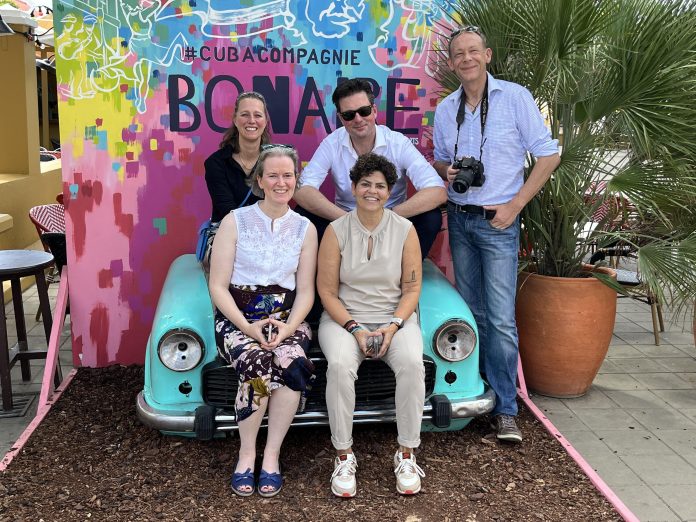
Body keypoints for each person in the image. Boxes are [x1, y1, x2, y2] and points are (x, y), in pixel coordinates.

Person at [432, 26, 560, 443]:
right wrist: (448, 171)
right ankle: (478, 394)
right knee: (473, 313)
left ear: (487, 55)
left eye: (473, 51)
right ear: (452, 63)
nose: (466, 59)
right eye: (459, 54)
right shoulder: (446, 108)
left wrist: (515, 205)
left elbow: (548, 155)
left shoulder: (515, 98)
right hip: (460, 218)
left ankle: (506, 409)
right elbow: (439, 162)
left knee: (501, 320)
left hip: (499, 222)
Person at [209, 145, 318, 497]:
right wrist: (247, 328)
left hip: (287, 319)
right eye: (273, 175)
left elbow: (306, 292)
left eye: (288, 175)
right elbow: (217, 286)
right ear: (259, 179)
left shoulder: (305, 228)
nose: (281, 182)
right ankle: (247, 453)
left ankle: (271, 455)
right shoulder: (235, 221)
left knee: (291, 361)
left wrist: (288, 328)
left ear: (296, 179)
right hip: (238, 319)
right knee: (257, 362)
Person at [317, 153, 426, 497]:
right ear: (353, 187)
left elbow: (411, 289)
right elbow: (326, 291)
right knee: (339, 365)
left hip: (394, 318)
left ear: (389, 191)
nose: (372, 191)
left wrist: (393, 327)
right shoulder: (336, 230)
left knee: (412, 363)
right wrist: (355, 328)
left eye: (380, 186)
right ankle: (343, 455)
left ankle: (406, 453)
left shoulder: (405, 230)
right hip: (344, 319)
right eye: (365, 184)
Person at [294, 78, 447, 259]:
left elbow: (437, 191)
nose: (358, 119)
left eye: (364, 111)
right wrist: (348, 220)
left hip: (391, 223)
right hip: (346, 223)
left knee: (431, 217)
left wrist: (387, 217)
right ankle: (332, 268)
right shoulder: (332, 143)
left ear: (374, 111)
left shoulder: (398, 143)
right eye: (349, 115)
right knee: (303, 214)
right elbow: (302, 190)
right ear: (341, 118)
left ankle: (402, 269)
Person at [204, 91, 272, 223]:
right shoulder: (216, 163)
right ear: (235, 120)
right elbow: (227, 212)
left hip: (268, 231)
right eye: (245, 114)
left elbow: (278, 205)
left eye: (258, 115)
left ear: (265, 121)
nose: (251, 121)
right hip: (228, 231)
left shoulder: (275, 161)